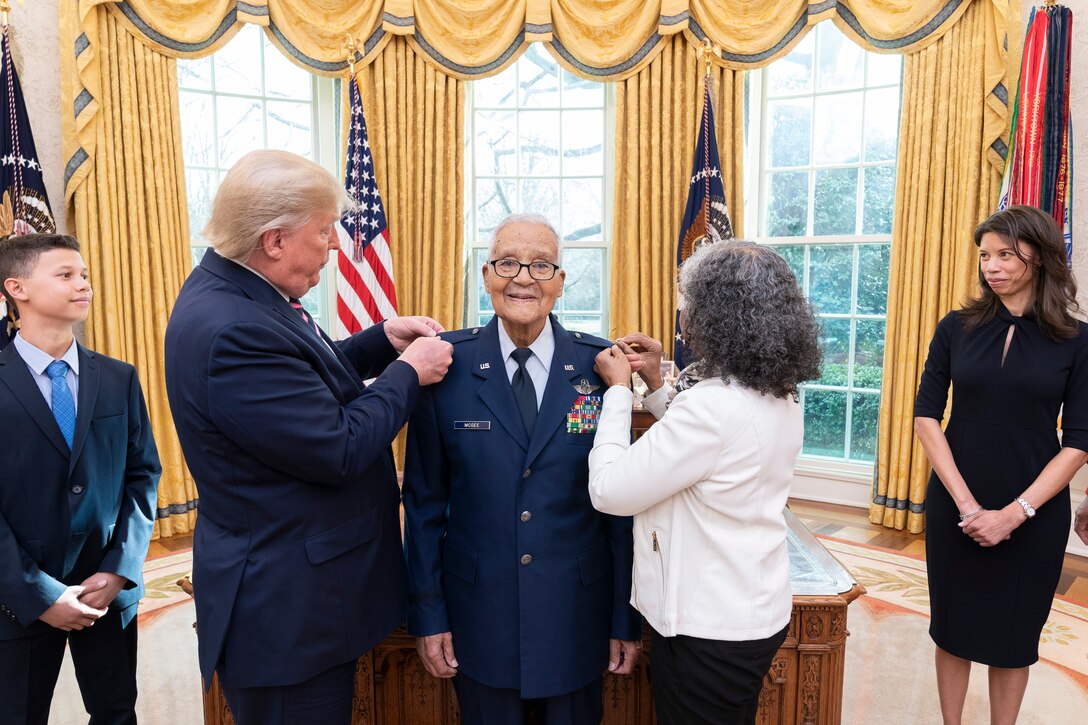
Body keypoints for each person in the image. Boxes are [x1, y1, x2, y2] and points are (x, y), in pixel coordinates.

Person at [164, 149, 452, 725]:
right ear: (274, 240)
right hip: (285, 616)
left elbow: (299, 385)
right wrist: (408, 373)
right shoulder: (233, 328)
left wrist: (379, 341)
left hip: (301, 595)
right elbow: (337, 445)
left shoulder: (241, 293)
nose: (338, 246)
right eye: (324, 231)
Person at [402, 213, 642, 725]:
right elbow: (423, 505)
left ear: (560, 280)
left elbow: (619, 511)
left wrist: (624, 615)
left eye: (540, 265)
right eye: (508, 262)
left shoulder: (601, 368)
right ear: (486, 275)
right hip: (478, 621)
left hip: (577, 618)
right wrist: (428, 613)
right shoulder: (444, 368)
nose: (523, 278)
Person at [588, 241, 821, 725]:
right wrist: (655, 382)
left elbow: (609, 490)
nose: (682, 317)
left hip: (709, 628)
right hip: (747, 607)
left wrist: (616, 394)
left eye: (687, 304)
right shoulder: (779, 391)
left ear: (713, 317)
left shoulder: (711, 407)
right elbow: (705, 452)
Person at [913, 204, 1088, 725]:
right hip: (955, 499)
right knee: (953, 626)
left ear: (1038, 255)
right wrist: (967, 505)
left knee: (1014, 637)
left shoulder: (1079, 340)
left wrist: (1015, 514)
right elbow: (926, 416)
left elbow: (1079, 442)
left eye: (1006, 254)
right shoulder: (955, 327)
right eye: (986, 254)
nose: (992, 265)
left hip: (1034, 509)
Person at [0, 233, 161, 724]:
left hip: (105, 593)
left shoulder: (119, 377)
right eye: (66, 275)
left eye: (85, 275)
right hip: (17, 597)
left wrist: (118, 571)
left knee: (116, 712)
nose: (83, 285)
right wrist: (40, 594)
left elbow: (143, 476)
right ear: (16, 288)